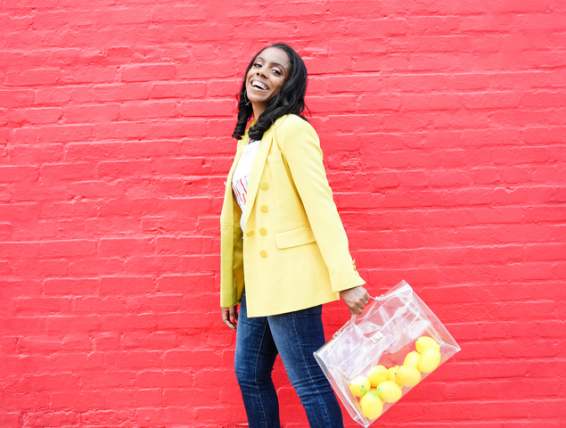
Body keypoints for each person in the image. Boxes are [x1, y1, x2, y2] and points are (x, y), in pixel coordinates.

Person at [219, 43, 371, 428]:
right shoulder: (249, 140)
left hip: (290, 277)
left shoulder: (292, 129)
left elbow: (321, 205)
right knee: (249, 375)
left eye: (275, 71)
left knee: (308, 383)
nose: (261, 74)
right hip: (257, 283)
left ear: (289, 85)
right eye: (257, 65)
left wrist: (346, 279)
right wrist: (231, 288)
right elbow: (240, 225)